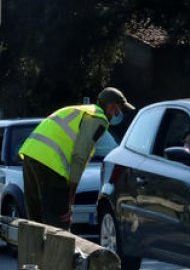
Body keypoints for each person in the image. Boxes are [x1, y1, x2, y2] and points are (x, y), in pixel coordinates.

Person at [19, 87, 134, 228]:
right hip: (49, 163)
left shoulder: (81, 111)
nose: (118, 113)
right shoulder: (98, 119)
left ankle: (33, 250)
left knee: (35, 222)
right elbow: (79, 157)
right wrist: (71, 197)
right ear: (110, 106)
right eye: (118, 108)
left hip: (30, 154)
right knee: (59, 223)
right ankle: (58, 250)